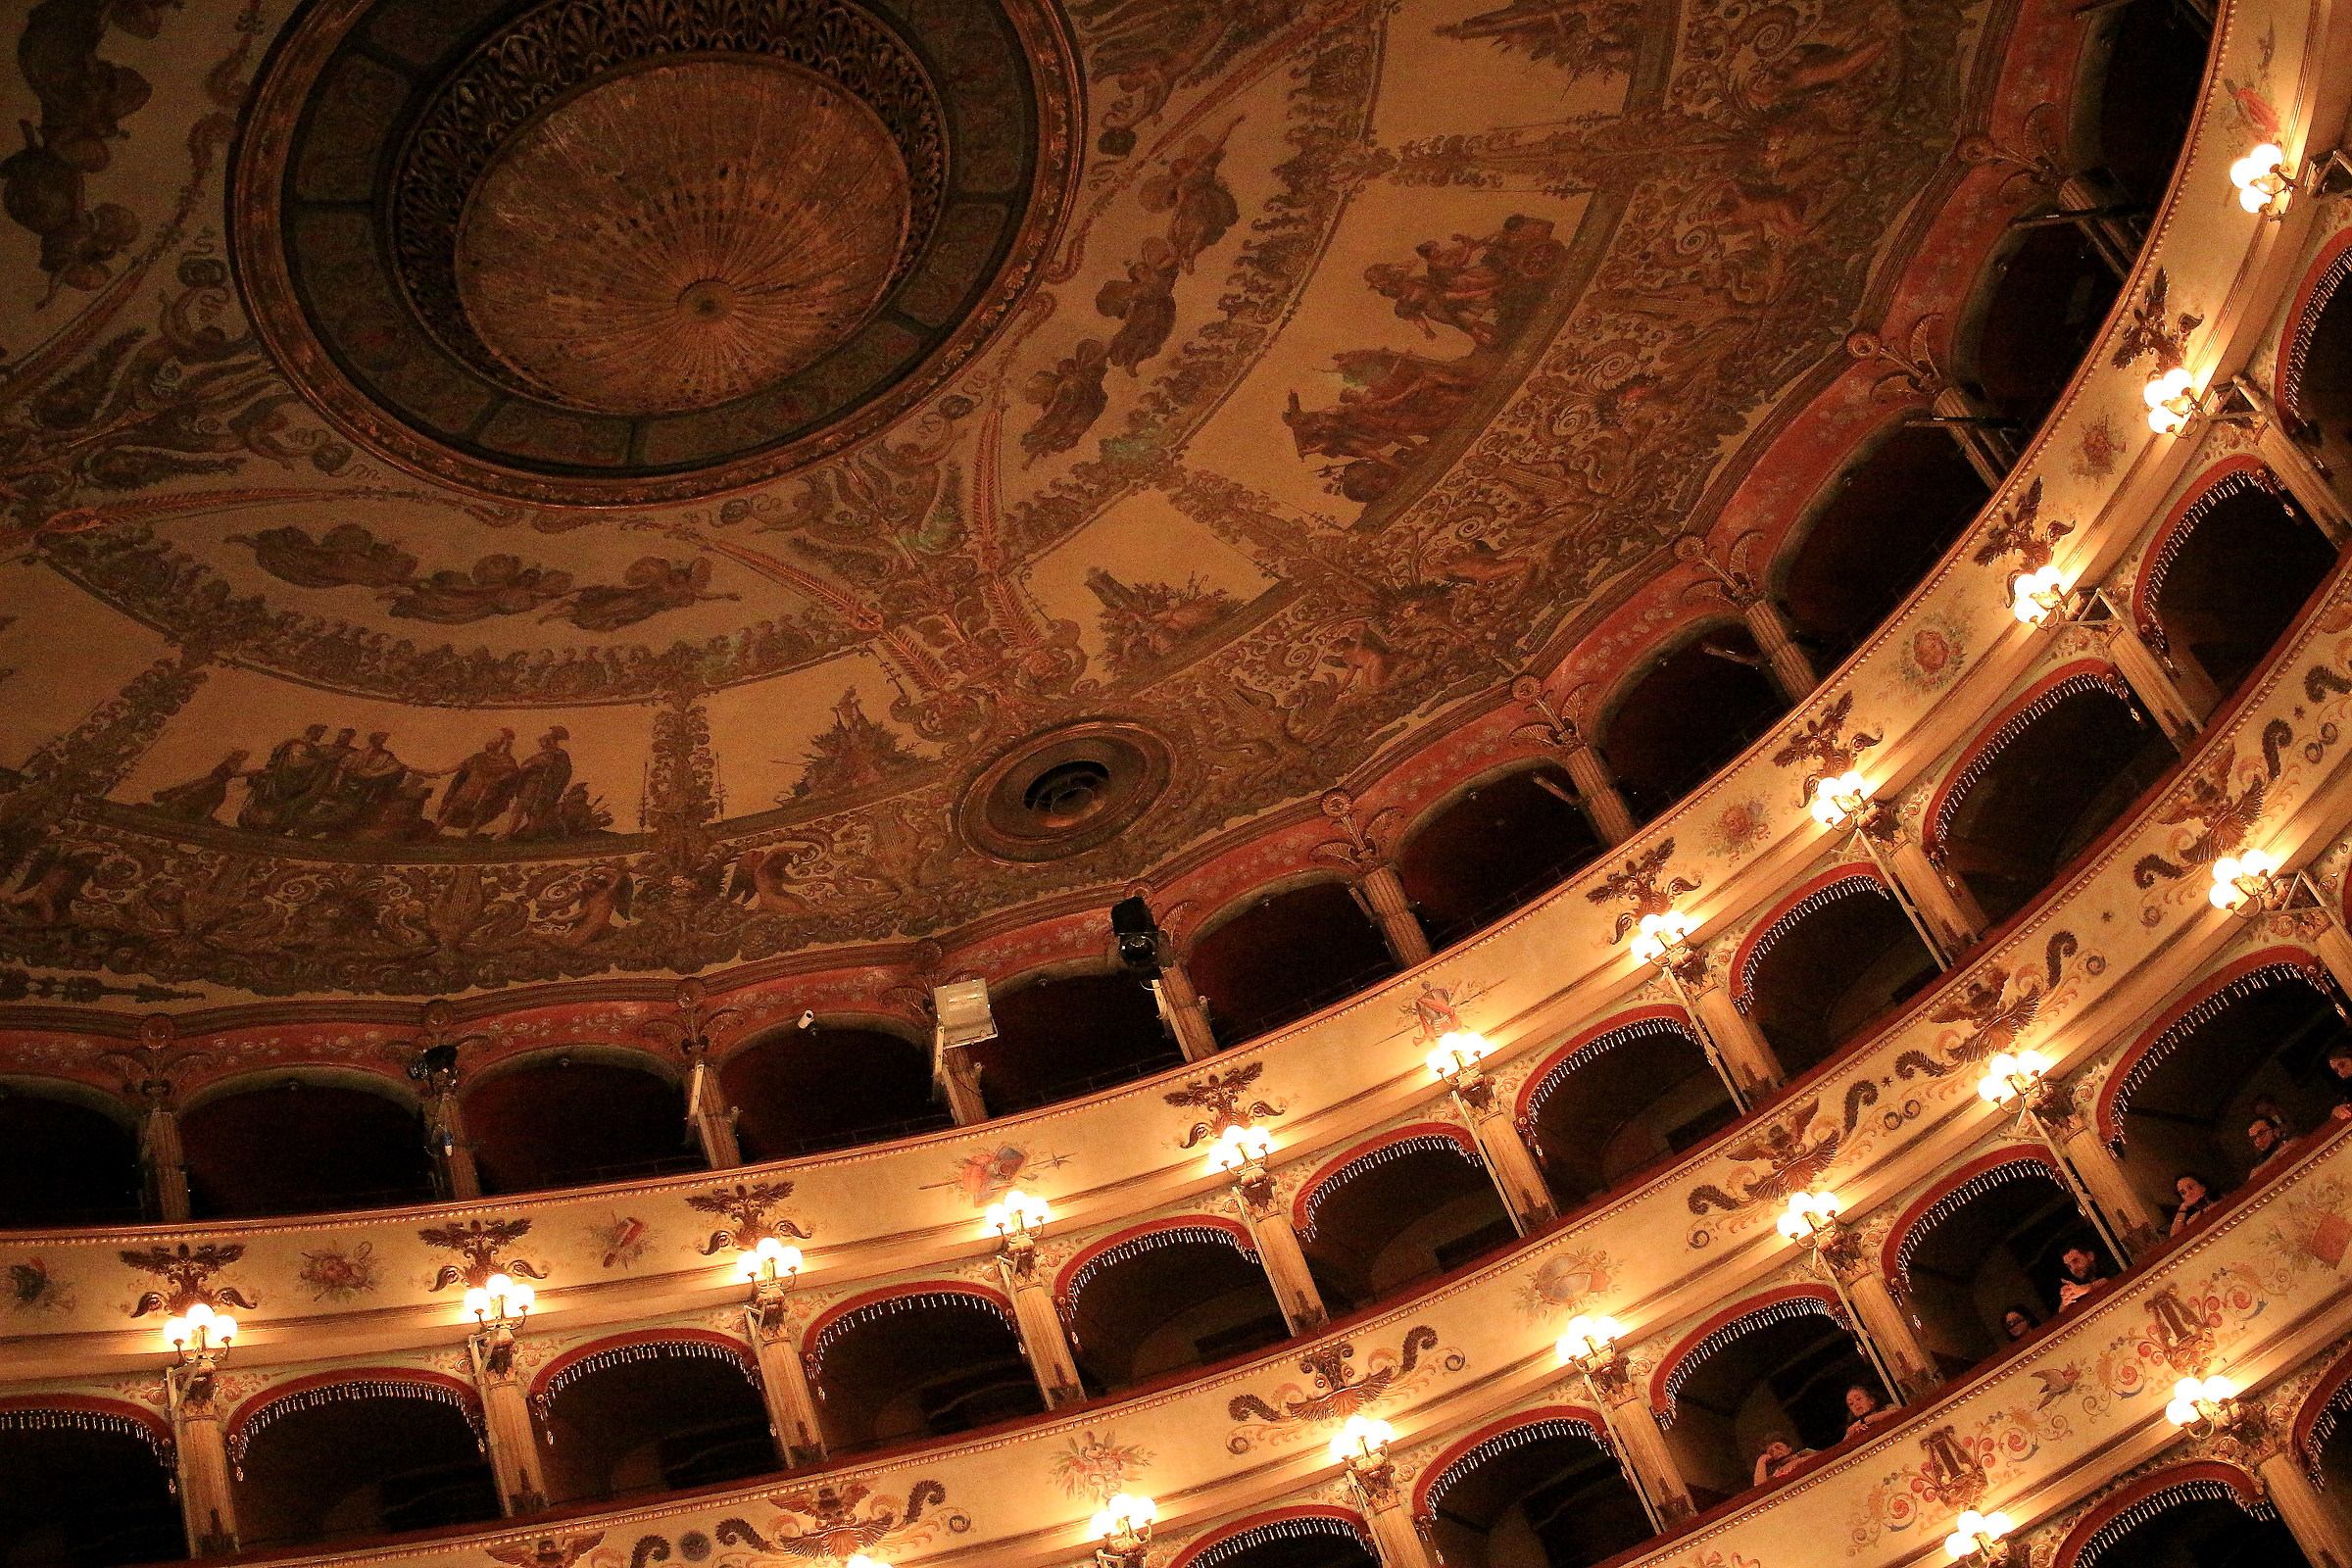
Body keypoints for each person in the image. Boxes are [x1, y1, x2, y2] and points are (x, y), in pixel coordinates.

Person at [2056, 1244, 2111, 1308]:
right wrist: (2065, 1303)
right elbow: (2061, 1312)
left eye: (2075, 1261)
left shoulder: (2109, 1264)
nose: (2073, 1269)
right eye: (2069, 1266)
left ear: (2090, 1256)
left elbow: (2111, 1279)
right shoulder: (2075, 1282)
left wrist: (2084, 1289)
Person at [2327, 1042, 2352, 1118]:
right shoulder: (2348, 1088)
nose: (2341, 1072)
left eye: (2342, 1065)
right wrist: (2336, 1111)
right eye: (2337, 1071)